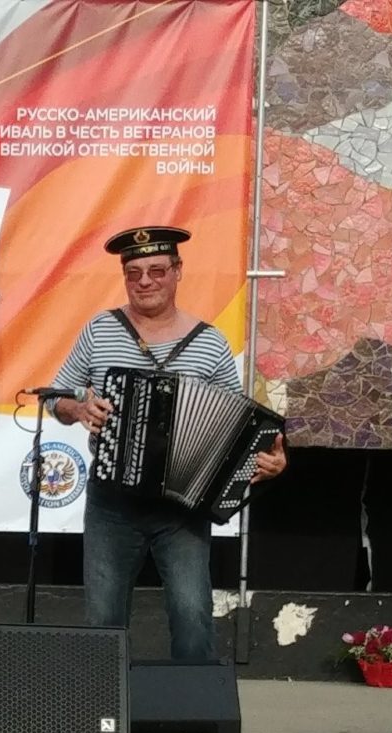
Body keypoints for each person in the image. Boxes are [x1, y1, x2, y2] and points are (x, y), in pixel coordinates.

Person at [48, 225, 288, 660]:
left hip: (181, 510)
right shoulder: (100, 330)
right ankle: (105, 721)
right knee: (103, 620)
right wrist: (78, 408)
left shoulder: (211, 343)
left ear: (178, 271)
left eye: (157, 270)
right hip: (111, 504)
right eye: (134, 272)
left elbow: (237, 432)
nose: (145, 281)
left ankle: (191, 723)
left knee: (192, 615)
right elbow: (57, 397)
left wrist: (268, 461)